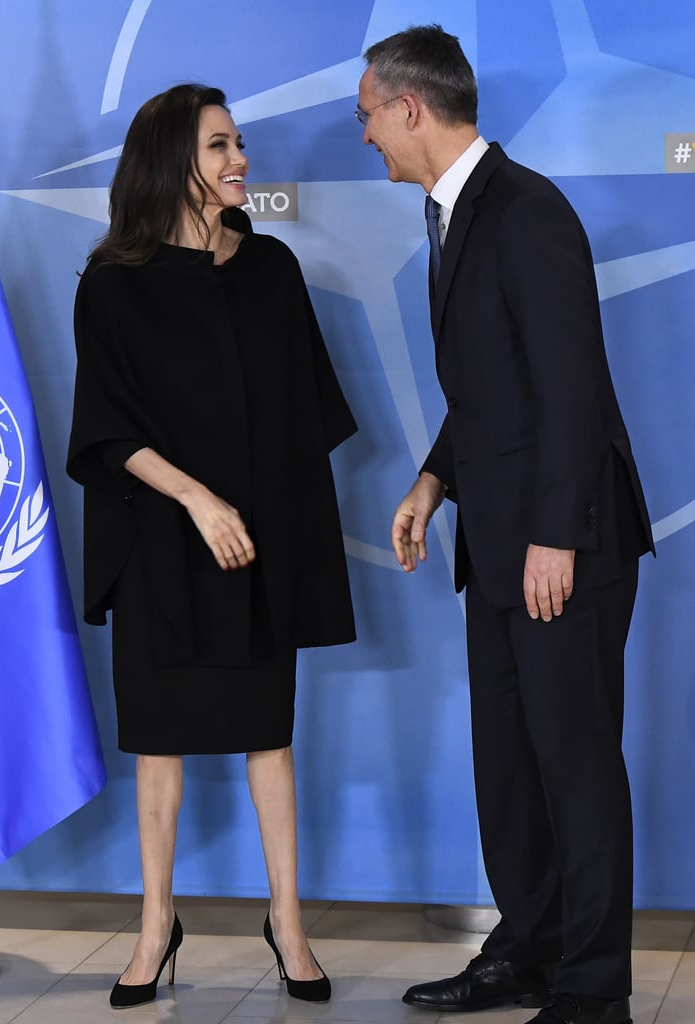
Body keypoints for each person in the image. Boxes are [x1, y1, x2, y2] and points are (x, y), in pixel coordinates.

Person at [358, 25, 654, 1024]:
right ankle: (526, 951)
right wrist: (433, 480)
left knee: (571, 763)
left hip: (558, 543)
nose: (364, 138)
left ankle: (590, 989)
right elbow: (497, 384)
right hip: (496, 541)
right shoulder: (456, 215)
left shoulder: (526, 212)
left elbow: (571, 386)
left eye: (366, 116)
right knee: (511, 766)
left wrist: (556, 535)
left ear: (409, 108)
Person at [67, 83, 356, 1009]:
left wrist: (269, 527)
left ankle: (289, 925)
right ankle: (156, 927)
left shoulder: (271, 268)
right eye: (220, 145)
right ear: (171, 163)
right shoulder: (112, 282)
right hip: (161, 543)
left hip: (258, 547)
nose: (240, 159)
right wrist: (197, 499)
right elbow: (105, 431)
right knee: (161, 747)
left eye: (239, 143)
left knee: (269, 740)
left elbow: (305, 417)